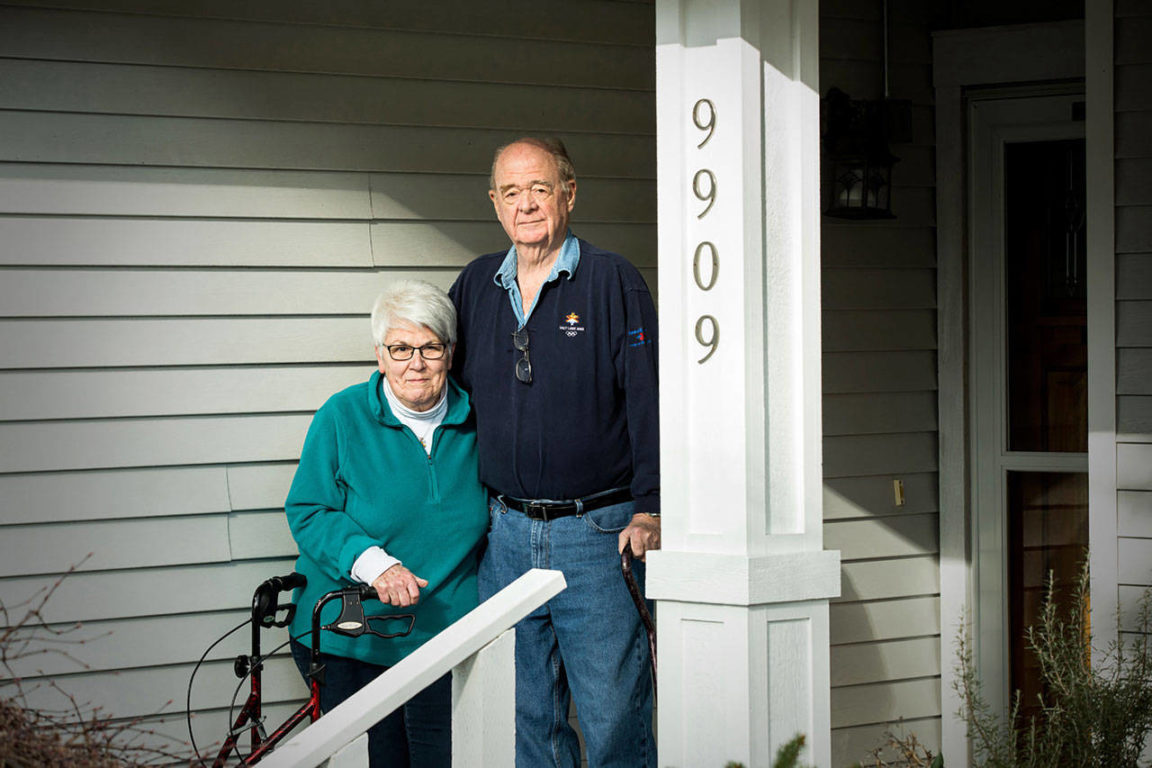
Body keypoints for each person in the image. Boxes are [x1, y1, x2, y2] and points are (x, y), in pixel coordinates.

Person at [448, 137, 660, 768]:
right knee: (528, 721)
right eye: (511, 192)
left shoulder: (612, 280)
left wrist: (650, 507)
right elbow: (435, 383)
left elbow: (650, 399)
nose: (527, 204)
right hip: (505, 535)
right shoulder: (475, 285)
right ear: (494, 203)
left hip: (598, 535)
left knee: (613, 716)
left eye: (540, 188)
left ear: (569, 194)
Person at [284, 279, 488, 768]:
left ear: (450, 353)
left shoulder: (480, 419)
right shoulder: (343, 415)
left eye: (430, 347)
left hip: (443, 636)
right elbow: (308, 509)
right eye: (400, 349)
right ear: (380, 356)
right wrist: (376, 565)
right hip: (351, 638)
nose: (415, 363)